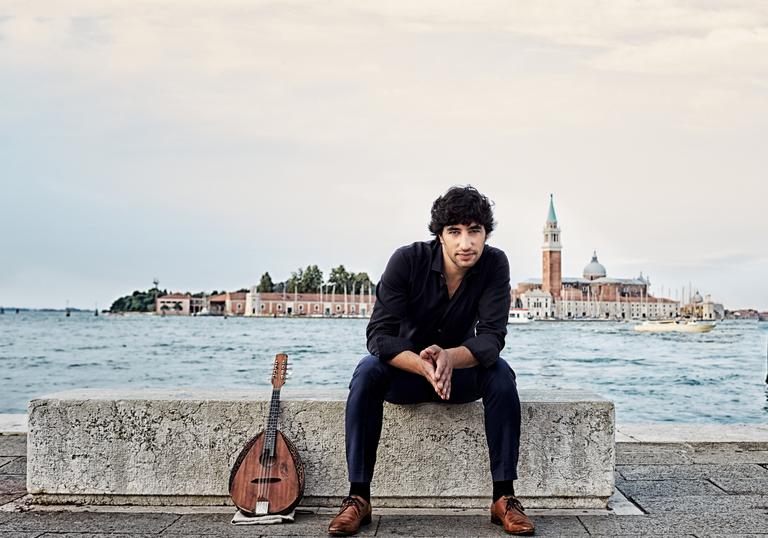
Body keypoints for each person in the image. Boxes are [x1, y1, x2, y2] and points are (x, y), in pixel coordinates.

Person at [328, 186, 535, 536]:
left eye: (474, 231)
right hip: (407, 375)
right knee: (366, 371)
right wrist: (423, 364)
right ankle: (358, 497)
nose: (466, 243)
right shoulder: (407, 261)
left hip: (459, 377)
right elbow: (379, 335)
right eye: (455, 232)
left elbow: (491, 337)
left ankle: (504, 497)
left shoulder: (495, 263)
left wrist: (449, 358)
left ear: (486, 234)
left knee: (500, 373)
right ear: (440, 235)